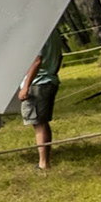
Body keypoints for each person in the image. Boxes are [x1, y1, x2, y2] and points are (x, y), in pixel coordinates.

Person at [18, 25, 65, 170]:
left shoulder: (38, 32)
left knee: (39, 123)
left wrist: (26, 85)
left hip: (38, 84)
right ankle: (44, 161)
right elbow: (60, 56)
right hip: (50, 80)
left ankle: (43, 164)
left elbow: (37, 60)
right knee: (43, 122)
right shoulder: (54, 31)